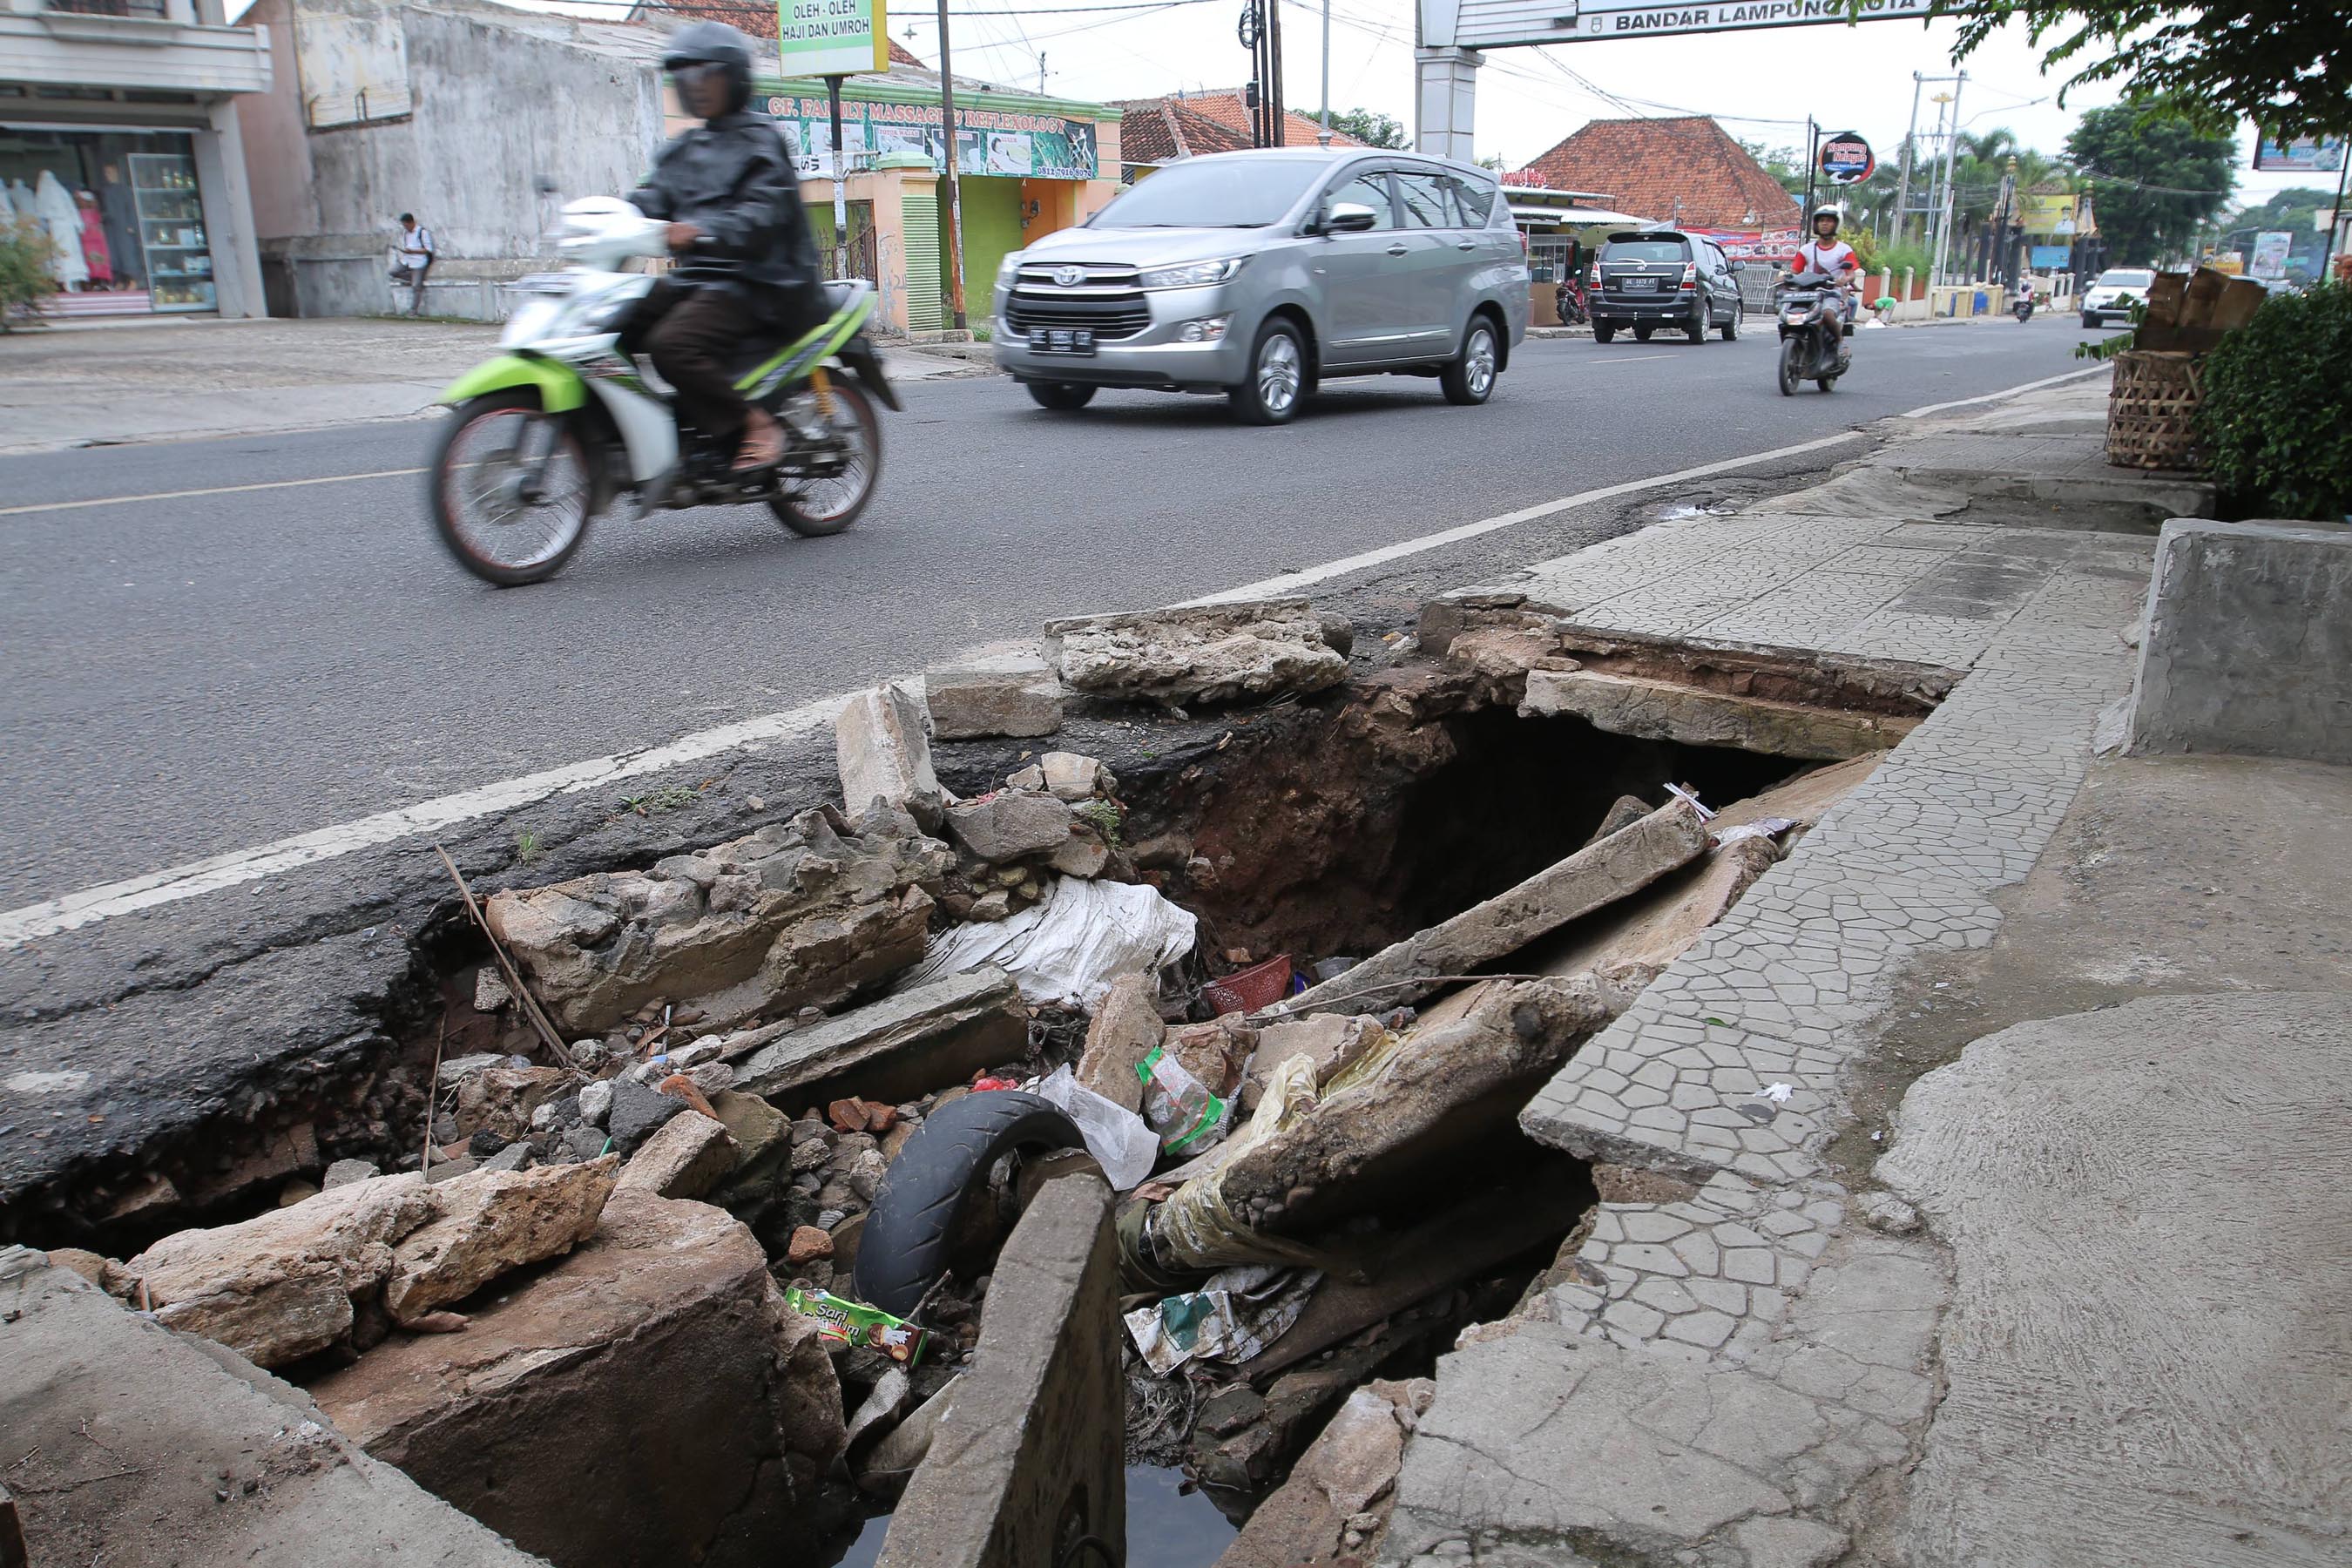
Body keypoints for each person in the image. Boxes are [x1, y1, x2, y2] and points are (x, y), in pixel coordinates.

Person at [626, 20, 828, 471]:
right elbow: (649, 197)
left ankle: (755, 422)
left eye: (705, 74)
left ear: (733, 76)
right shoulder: (682, 149)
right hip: (700, 281)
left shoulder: (761, 140)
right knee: (611, 319)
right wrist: (606, 217)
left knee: (672, 344)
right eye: (685, 76)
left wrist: (699, 230)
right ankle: (659, 428)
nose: (694, 86)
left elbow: (763, 213)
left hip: (759, 283)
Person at [1787, 208, 1859, 331]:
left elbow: (1851, 274)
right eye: (1821, 220)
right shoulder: (1806, 249)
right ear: (1816, 224)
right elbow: (1795, 271)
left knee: (1828, 315)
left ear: (1836, 224)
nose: (1824, 224)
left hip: (1832, 293)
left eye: (1829, 221)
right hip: (1808, 294)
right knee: (1789, 316)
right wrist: (1785, 277)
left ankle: (1838, 341)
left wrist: (1844, 279)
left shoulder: (1844, 250)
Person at [392, 213, 435, 315]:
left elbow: (429, 249)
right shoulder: (406, 233)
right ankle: (415, 278)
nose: (405, 228)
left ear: (412, 223)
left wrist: (413, 251)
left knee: (416, 286)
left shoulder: (422, 232)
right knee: (393, 271)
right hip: (407, 260)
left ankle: (413, 311)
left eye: (406, 225)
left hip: (419, 261)